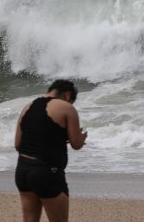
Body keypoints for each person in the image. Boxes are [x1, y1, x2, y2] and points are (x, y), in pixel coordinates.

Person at [14, 79, 87, 222]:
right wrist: (82, 137)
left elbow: (18, 145)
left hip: (23, 170)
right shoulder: (66, 107)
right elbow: (76, 144)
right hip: (47, 172)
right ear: (67, 95)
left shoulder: (27, 107)